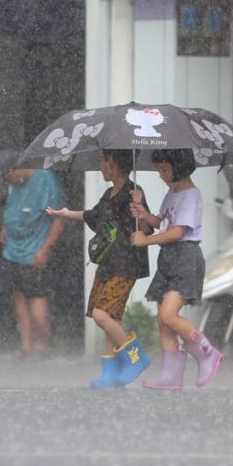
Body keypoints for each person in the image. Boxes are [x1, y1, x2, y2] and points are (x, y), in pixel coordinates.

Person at [48, 150, 155, 387]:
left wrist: (140, 209)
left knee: (101, 314)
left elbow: (147, 228)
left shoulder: (133, 193)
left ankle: (136, 357)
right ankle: (111, 373)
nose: (100, 165)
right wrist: (65, 213)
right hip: (108, 262)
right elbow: (92, 216)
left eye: (102, 161)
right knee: (111, 318)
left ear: (113, 164)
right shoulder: (109, 194)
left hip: (126, 263)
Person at [129, 148, 223, 390]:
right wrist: (142, 212)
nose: (161, 175)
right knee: (163, 321)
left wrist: (146, 241)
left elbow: (178, 231)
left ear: (179, 166)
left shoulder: (191, 195)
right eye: (159, 170)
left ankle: (206, 353)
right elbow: (161, 222)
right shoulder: (173, 192)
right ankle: (172, 376)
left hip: (185, 257)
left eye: (165, 170)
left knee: (168, 314)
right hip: (168, 258)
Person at [0, 162, 67, 359]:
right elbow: (13, 207)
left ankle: (42, 346)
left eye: (10, 177)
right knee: (19, 297)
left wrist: (45, 249)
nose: (11, 182)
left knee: (36, 297)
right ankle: (26, 347)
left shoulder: (45, 179)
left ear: (17, 168)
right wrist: (6, 227)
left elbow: (59, 218)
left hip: (34, 250)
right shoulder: (14, 182)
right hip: (13, 250)